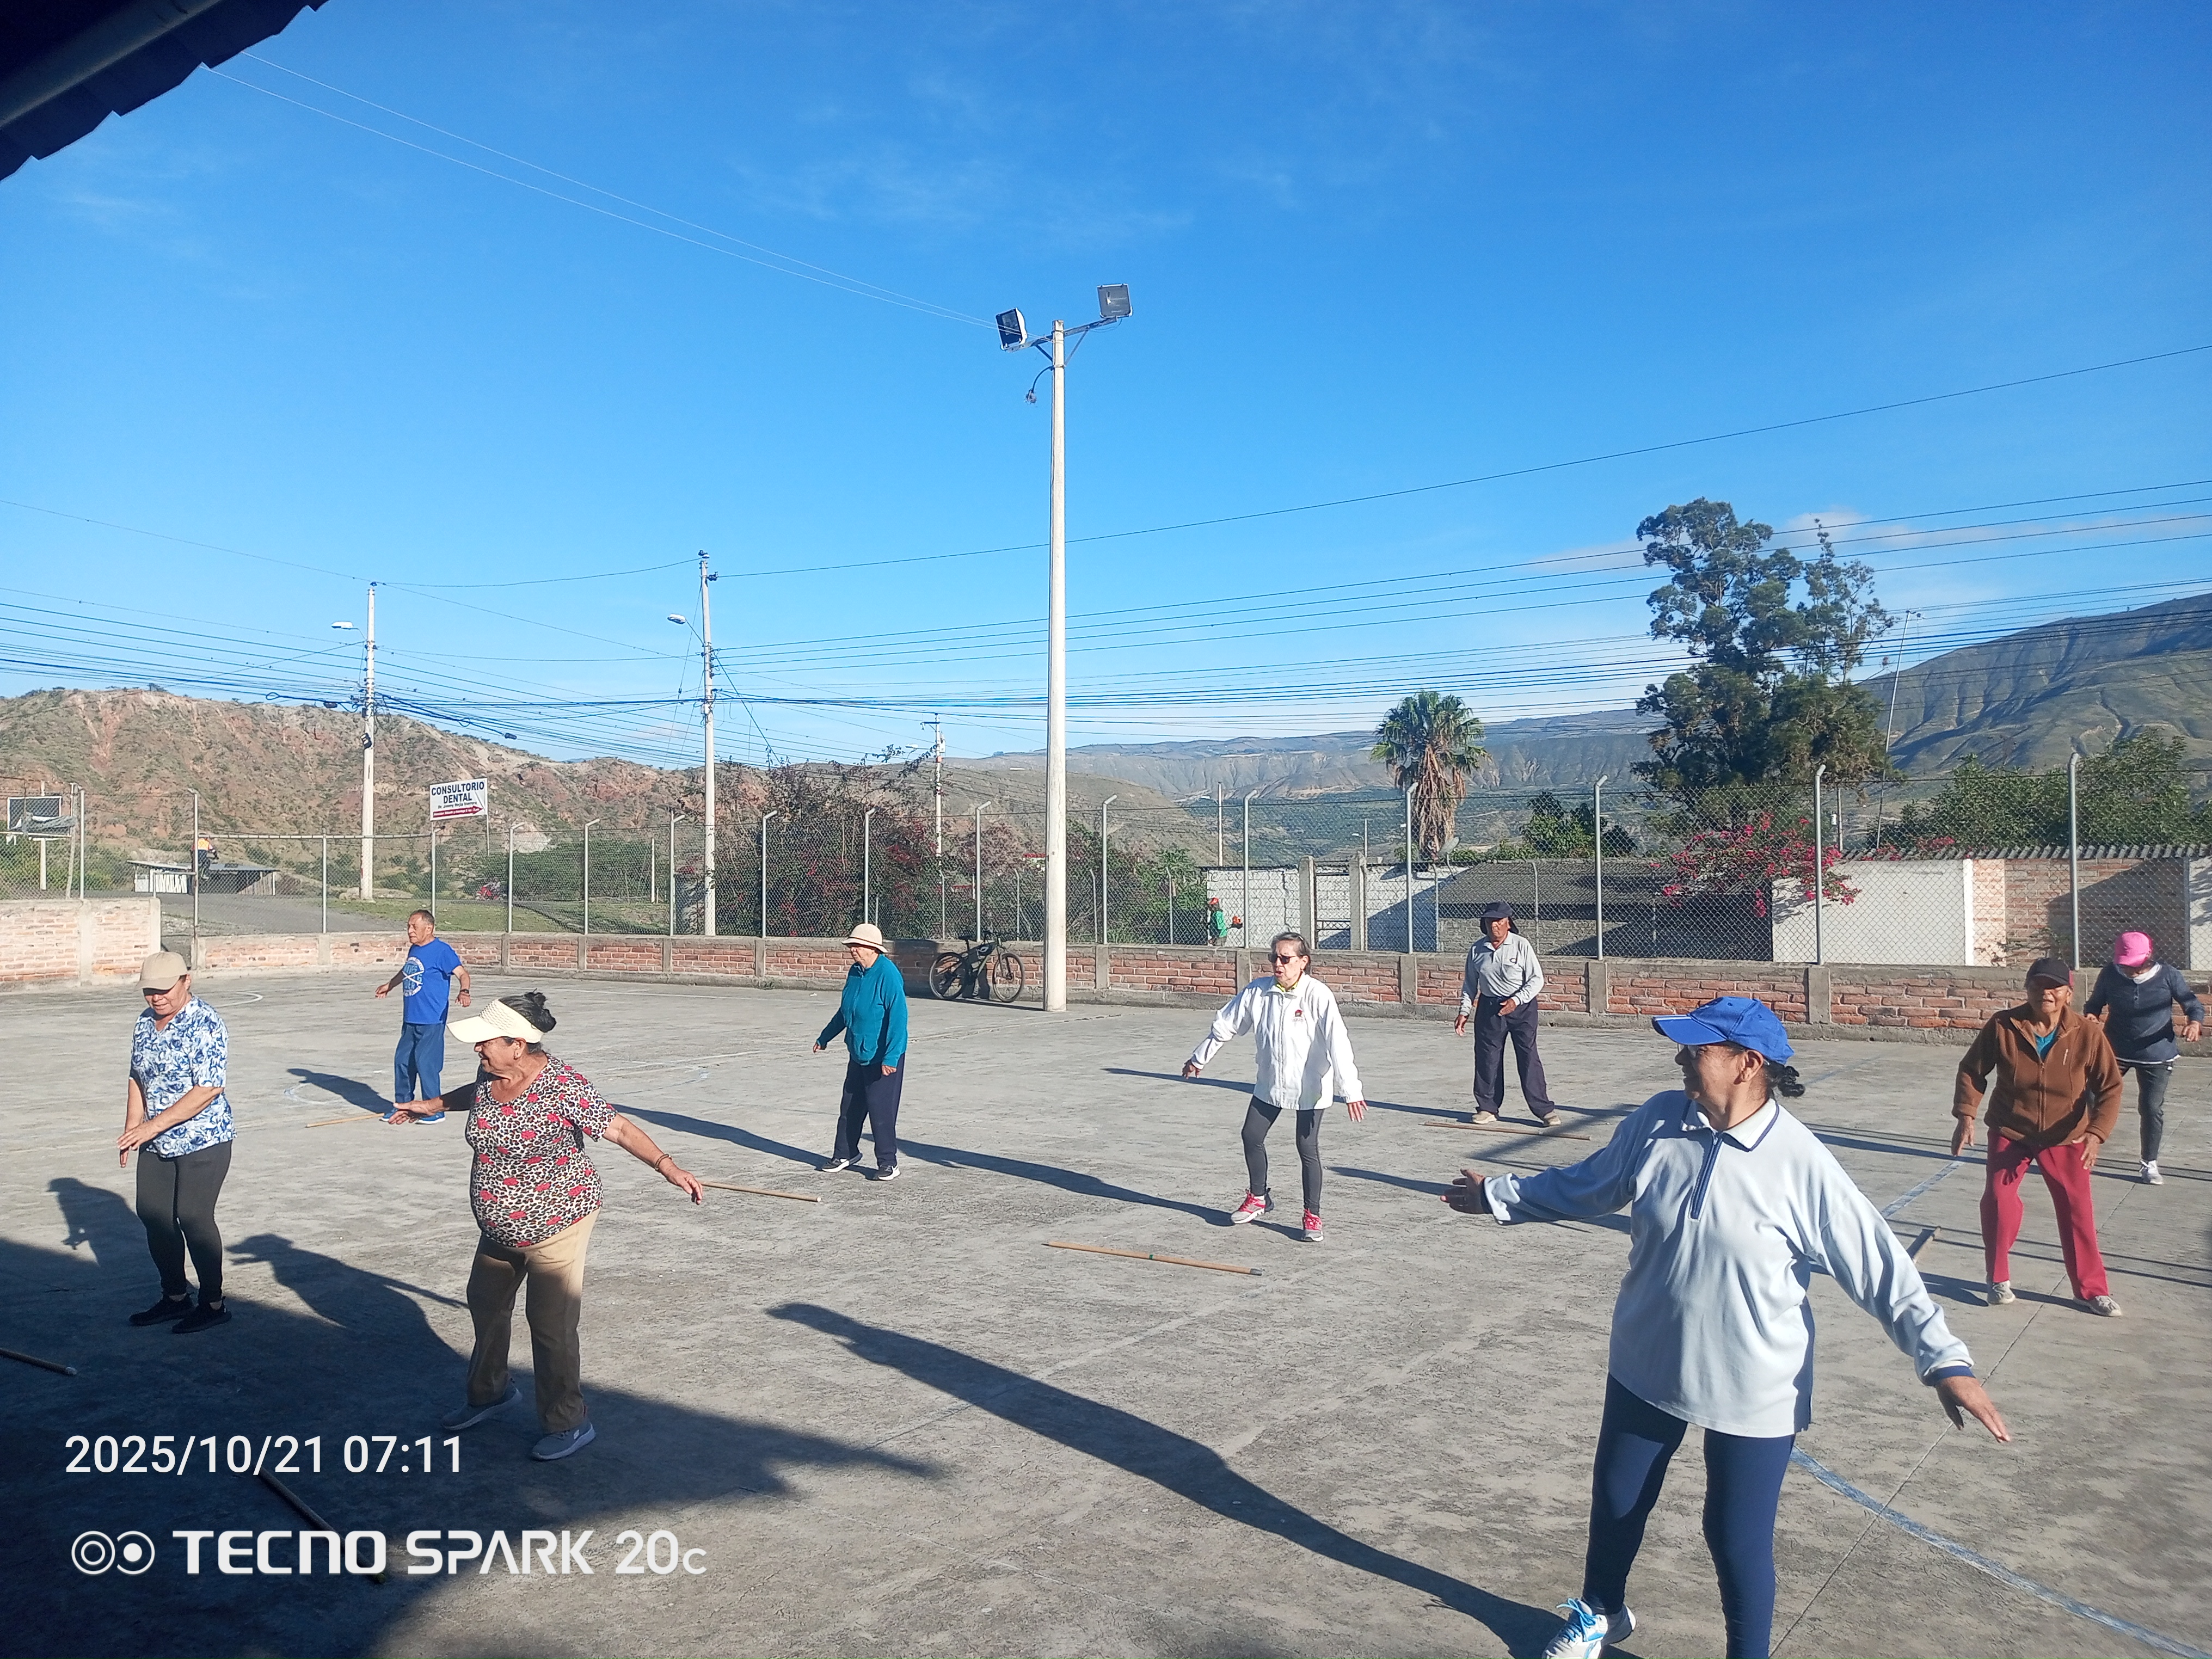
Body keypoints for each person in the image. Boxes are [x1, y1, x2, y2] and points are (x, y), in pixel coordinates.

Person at [1443, 996, 2007, 1659]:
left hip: (1753, 1383)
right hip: (1649, 1357)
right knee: (1618, 1499)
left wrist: (1945, 1363)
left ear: (1748, 1064)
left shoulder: (1799, 1164)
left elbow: (1880, 1268)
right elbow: (1588, 1184)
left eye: (1699, 1049)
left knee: (1733, 1536)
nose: (1682, 1058)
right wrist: (1499, 1195)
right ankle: (1600, 1613)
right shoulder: (1658, 1120)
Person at [389, 992, 703, 1460]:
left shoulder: (562, 1086)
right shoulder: (491, 1074)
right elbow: (473, 1095)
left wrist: (667, 1166)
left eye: (486, 1042)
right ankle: (492, 1393)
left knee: (550, 1323)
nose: (478, 1048)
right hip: (499, 1227)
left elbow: (617, 1127)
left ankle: (569, 1421)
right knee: (486, 1303)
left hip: (559, 1220)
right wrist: (431, 1104)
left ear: (518, 1045)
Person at [1954, 957, 2125, 1314]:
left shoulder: (2087, 1033)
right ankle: (1997, 1278)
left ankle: (2091, 1290)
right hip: (2011, 1128)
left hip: (2067, 1135)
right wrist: (1966, 1116)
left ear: (2068, 993)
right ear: (2027, 989)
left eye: (2054, 987)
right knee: (1998, 1200)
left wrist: (2096, 1134)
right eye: (2037, 985)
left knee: (2078, 1210)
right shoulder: (2003, 1025)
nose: (2045, 993)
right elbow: (1973, 1070)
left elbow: (2110, 1087)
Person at [1183, 931, 1367, 1242]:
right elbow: (1226, 1025)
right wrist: (1199, 1058)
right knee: (1251, 1135)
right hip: (1271, 1082)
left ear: (1303, 962)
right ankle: (1258, 1197)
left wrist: (1351, 1090)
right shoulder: (1258, 992)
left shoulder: (1317, 995)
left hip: (1309, 1086)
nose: (1278, 965)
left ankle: (1312, 1215)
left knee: (1306, 1148)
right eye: (1274, 958)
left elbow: (1339, 1044)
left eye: (1285, 959)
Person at [118, 951, 238, 1334]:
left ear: (186, 981)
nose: (156, 997)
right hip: (156, 1140)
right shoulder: (144, 1023)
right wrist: (133, 1126)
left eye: (164, 989)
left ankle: (213, 1303)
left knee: (193, 1216)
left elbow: (208, 1088)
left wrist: (152, 1127)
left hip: (203, 1138)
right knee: (153, 1215)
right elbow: (137, 1075)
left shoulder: (205, 1022)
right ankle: (174, 1297)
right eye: (149, 991)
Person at [2083, 930, 2204, 1185]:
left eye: (2134, 965)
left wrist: (2194, 1022)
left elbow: (2192, 1003)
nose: (2129, 970)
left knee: (2150, 1107)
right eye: (2125, 965)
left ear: (2149, 956)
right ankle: (2087, 1147)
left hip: (2156, 1053)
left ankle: (2149, 1163)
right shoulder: (2110, 974)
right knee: (2092, 1094)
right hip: (2115, 1049)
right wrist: (2092, 1016)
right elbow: (2094, 1004)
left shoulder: (2168, 975)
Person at [815, 923, 910, 1181]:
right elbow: (846, 1011)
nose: (852, 950)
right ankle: (845, 1154)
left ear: (873, 949)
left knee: (881, 1111)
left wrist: (891, 1057)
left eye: (857, 946)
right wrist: (825, 1037)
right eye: (851, 945)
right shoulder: (855, 972)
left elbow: (898, 1019)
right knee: (850, 1107)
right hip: (858, 1052)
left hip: (883, 1056)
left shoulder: (888, 975)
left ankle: (888, 1162)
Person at [1454, 899, 1558, 1125]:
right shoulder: (1477, 949)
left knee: (1528, 1057)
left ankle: (1544, 1110)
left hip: (1522, 1008)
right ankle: (1487, 1108)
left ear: (1508, 923)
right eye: (1489, 921)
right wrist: (1464, 1011)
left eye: (1499, 921)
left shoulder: (1521, 945)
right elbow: (1470, 984)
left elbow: (1536, 979)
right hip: (1489, 1009)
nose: (1494, 926)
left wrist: (1517, 1000)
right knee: (1487, 1058)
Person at [376, 910, 469, 1120]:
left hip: (432, 1019)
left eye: (414, 927)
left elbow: (462, 974)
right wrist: (390, 985)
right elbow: (408, 971)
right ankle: (403, 1105)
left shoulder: (442, 951)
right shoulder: (415, 949)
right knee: (403, 1062)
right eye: (408, 926)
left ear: (429, 928)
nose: (410, 931)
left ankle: (433, 1110)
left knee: (426, 1063)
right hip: (411, 1019)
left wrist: (464, 991)